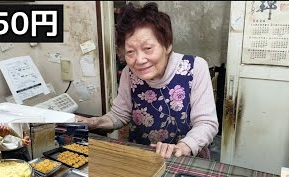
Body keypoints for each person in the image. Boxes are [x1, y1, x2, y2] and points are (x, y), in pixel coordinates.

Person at [78, 2, 218, 159]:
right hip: (142, 157)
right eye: (130, 52)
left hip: (185, 158)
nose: (139, 60)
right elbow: (120, 114)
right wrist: (96, 123)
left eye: (148, 49)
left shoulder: (194, 67)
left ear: (167, 45)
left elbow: (207, 123)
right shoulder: (128, 73)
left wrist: (184, 146)